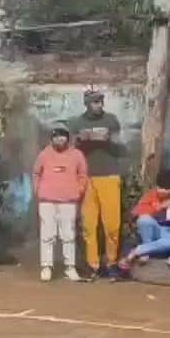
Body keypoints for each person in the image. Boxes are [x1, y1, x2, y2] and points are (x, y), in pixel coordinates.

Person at [73, 86, 125, 278]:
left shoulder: (111, 120)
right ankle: (92, 264)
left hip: (109, 175)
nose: (99, 105)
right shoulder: (77, 122)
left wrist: (107, 140)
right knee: (89, 224)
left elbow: (121, 148)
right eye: (95, 102)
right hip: (86, 177)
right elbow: (72, 150)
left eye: (101, 101)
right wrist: (81, 140)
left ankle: (112, 263)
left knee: (112, 224)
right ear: (87, 104)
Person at [32, 124, 87, 282]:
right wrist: (38, 190)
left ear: (68, 138)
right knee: (47, 235)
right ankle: (46, 267)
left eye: (62, 135)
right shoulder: (44, 155)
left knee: (68, 235)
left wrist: (78, 190)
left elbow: (83, 175)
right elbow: (36, 173)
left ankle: (69, 267)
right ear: (52, 138)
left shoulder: (77, 155)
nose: (59, 139)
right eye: (56, 136)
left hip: (68, 201)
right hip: (47, 201)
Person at [117, 170, 170, 273]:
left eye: (166, 189)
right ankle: (146, 251)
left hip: (168, 230)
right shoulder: (151, 194)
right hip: (153, 228)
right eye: (159, 187)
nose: (162, 191)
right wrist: (160, 207)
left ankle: (139, 251)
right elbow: (138, 211)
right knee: (143, 220)